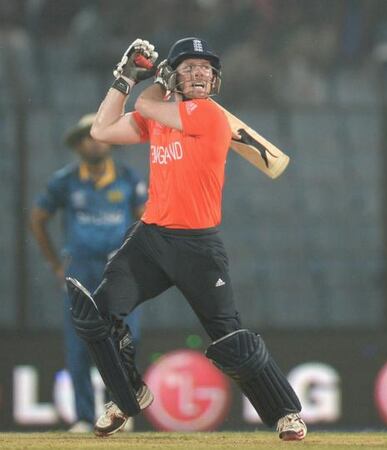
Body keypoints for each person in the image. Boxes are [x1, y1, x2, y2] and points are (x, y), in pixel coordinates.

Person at [65, 37, 306, 440]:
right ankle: (129, 395)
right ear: (176, 75)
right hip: (151, 239)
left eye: (206, 68)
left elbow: (145, 105)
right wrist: (123, 80)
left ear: (215, 80)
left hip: (199, 246)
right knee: (99, 316)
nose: (199, 73)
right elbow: (102, 129)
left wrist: (152, 81)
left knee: (231, 339)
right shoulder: (162, 114)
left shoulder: (210, 116)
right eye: (190, 66)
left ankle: (286, 414)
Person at [29, 114, 146, 432]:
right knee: (79, 344)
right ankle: (82, 417)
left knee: (123, 340)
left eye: (98, 136)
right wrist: (55, 264)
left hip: (118, 272)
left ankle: (120, 412)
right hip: (80, 271)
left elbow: (145, 222)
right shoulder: (65, 181)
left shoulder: (127, 178)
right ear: (78, 144)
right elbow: (38, 218)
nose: (93, 142)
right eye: (86, 137)